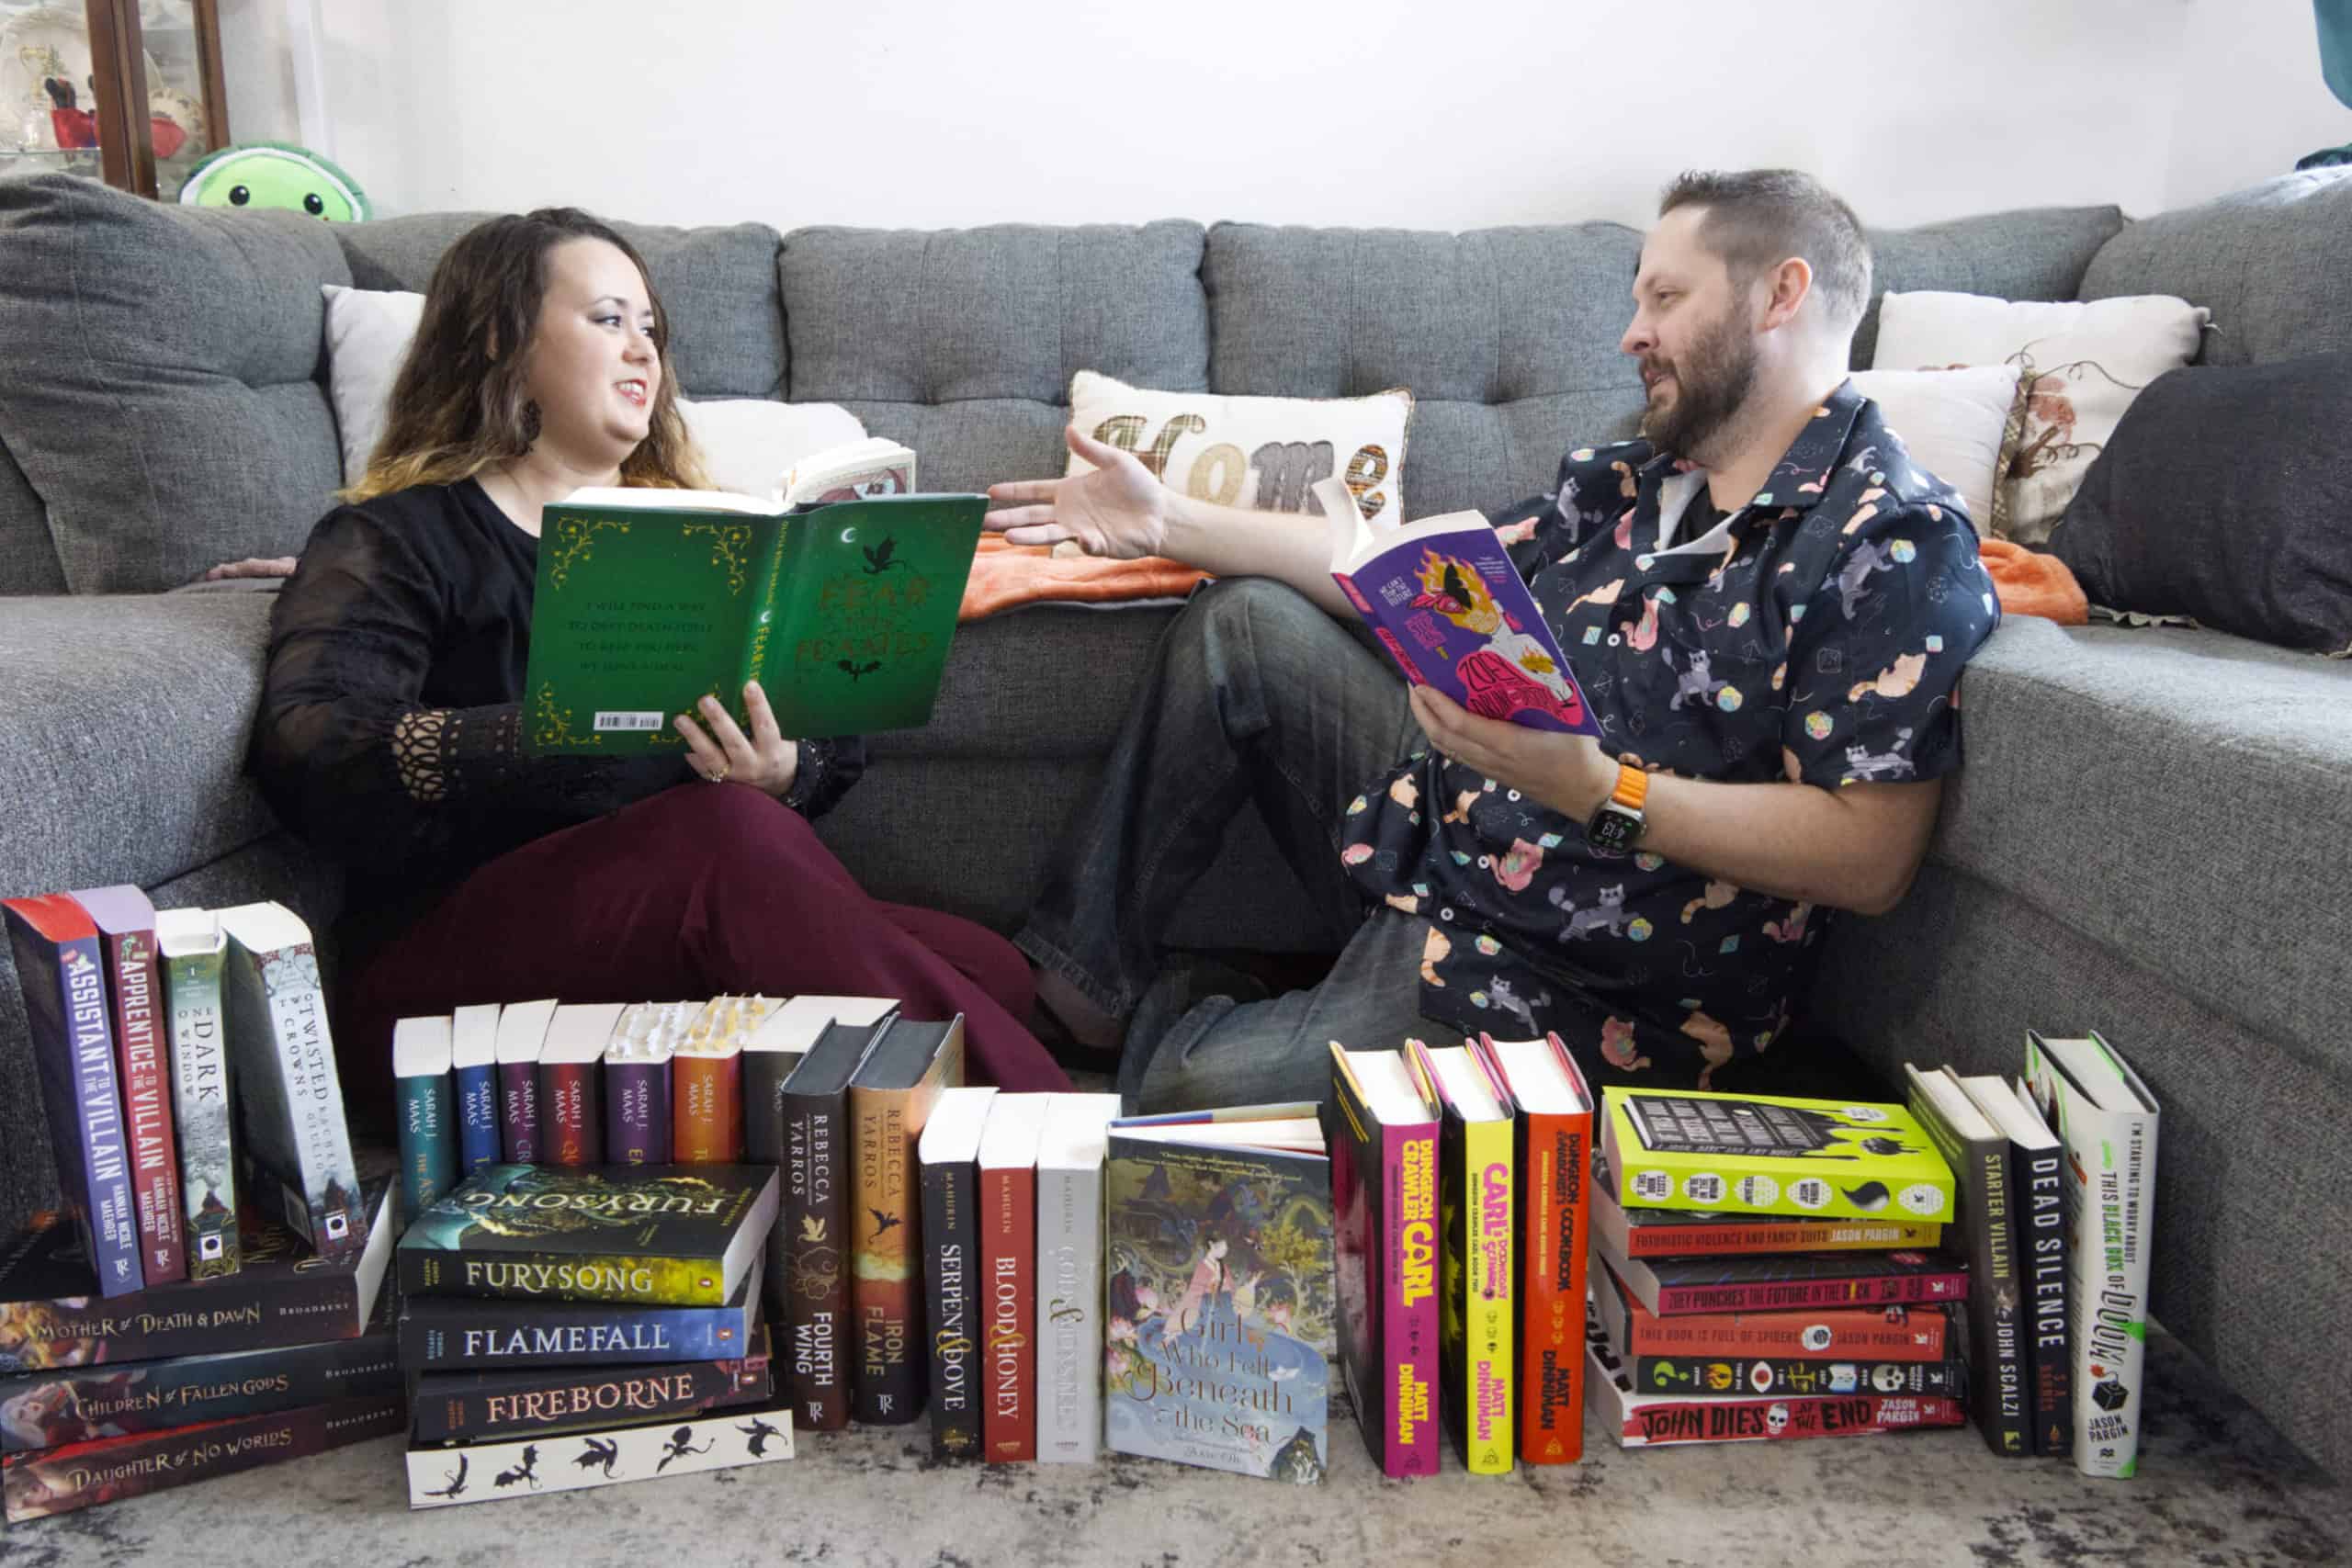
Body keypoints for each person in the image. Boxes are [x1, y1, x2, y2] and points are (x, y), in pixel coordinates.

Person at [986, 169, 2000, 1111]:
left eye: (1664, 299)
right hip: (1442, 832)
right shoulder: (1629, 480)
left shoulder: (1889, 538)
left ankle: (1219, 1012)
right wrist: (1163, 522)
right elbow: (1389, 566)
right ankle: (1081, 986)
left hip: (1573, 977)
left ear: (1779, 295)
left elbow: (1870, 858)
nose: (1629, 334)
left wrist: (1602, 794)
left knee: (1175, 1098)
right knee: (1240, 624)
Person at [250, 207, 1067, 1119]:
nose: (644, 352)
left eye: (651, 329)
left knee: (988, 970)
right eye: (607, 320)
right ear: (499, 336)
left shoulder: (708, 534)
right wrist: (566, 729)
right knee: (726, 838)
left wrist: (783, 766)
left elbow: (828, 731)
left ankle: (744, 1110)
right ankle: (1061, 1154)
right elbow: (311, 743)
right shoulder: (398, 535)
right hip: (444, 974)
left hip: (657, 943)